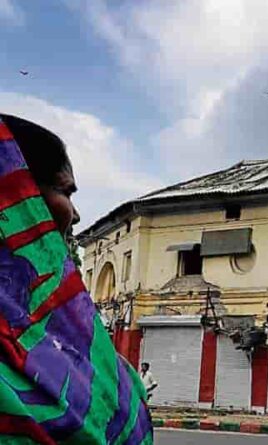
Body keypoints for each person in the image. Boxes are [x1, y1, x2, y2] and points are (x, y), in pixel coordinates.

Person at [0, 114, 153, 444]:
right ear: (15, 193)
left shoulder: (90, 353)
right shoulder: (99, 364)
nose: (76, 214)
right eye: (64, 190)